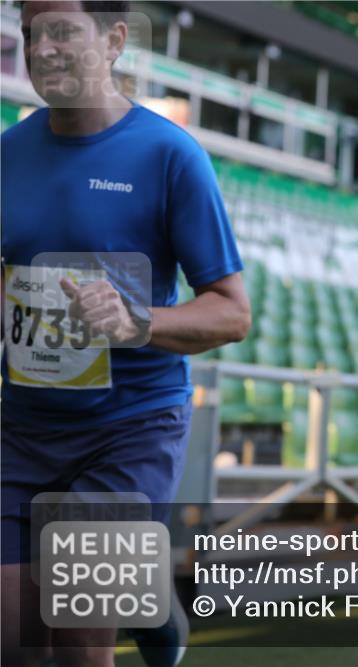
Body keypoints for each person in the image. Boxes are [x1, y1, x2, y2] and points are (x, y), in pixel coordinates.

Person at [1, 2, 250, 666]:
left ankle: (139, 589)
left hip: (129, 425)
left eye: (62, 31)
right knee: (15, 642)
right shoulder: (7, 153)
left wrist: (138, 321)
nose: (43, 49)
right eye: (32, 34)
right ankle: (147, 586)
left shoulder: (169, 154)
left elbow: (232, 311)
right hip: (21, 428)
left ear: (114, 40)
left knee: (80, 639)